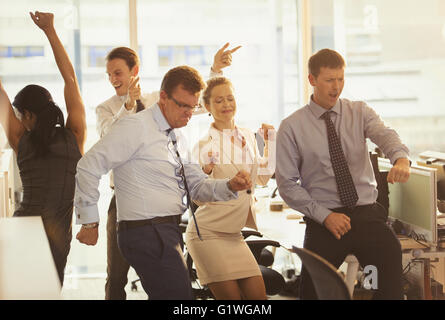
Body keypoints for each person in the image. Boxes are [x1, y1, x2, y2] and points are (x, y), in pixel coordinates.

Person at [74, 65, 252, 300]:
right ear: (163, 97)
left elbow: (197, 185)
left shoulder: (177, 136)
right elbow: (88, 166)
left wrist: (229, 186)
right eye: (183, 106)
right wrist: (89, 222)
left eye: (193, 106)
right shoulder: (135, 127)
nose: (189, 113)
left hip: (167, 230)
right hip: (145, 231)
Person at [275, 48, 410, 300]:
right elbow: (287, 184)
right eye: (329, 80)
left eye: (340, 79)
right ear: (312, 80)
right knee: (313, 293)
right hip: (325, 221)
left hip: (367, 217)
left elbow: (385, 135)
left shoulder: (358, 112)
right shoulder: (292, 127)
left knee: (387, 281)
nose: (336, 87)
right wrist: (325, 216)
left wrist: (400, 159)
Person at [0, 11, 86, 285]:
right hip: (58, 234)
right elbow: (70, 79)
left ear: (27, 114)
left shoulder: (20, 140)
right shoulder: (74, 136)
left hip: (23, 228)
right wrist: (50, 30)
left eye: (19, 115)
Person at [185, 76, 275, 300]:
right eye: (218, 101)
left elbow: (262, 179)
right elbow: (197, 198)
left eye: (230, 98)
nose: (226, 105)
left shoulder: (247, 135)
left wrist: (271, 142)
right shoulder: (204, 146)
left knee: (258, 301)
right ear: (207, 107)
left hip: (234, 235)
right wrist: (205, 173)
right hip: (208, 234)